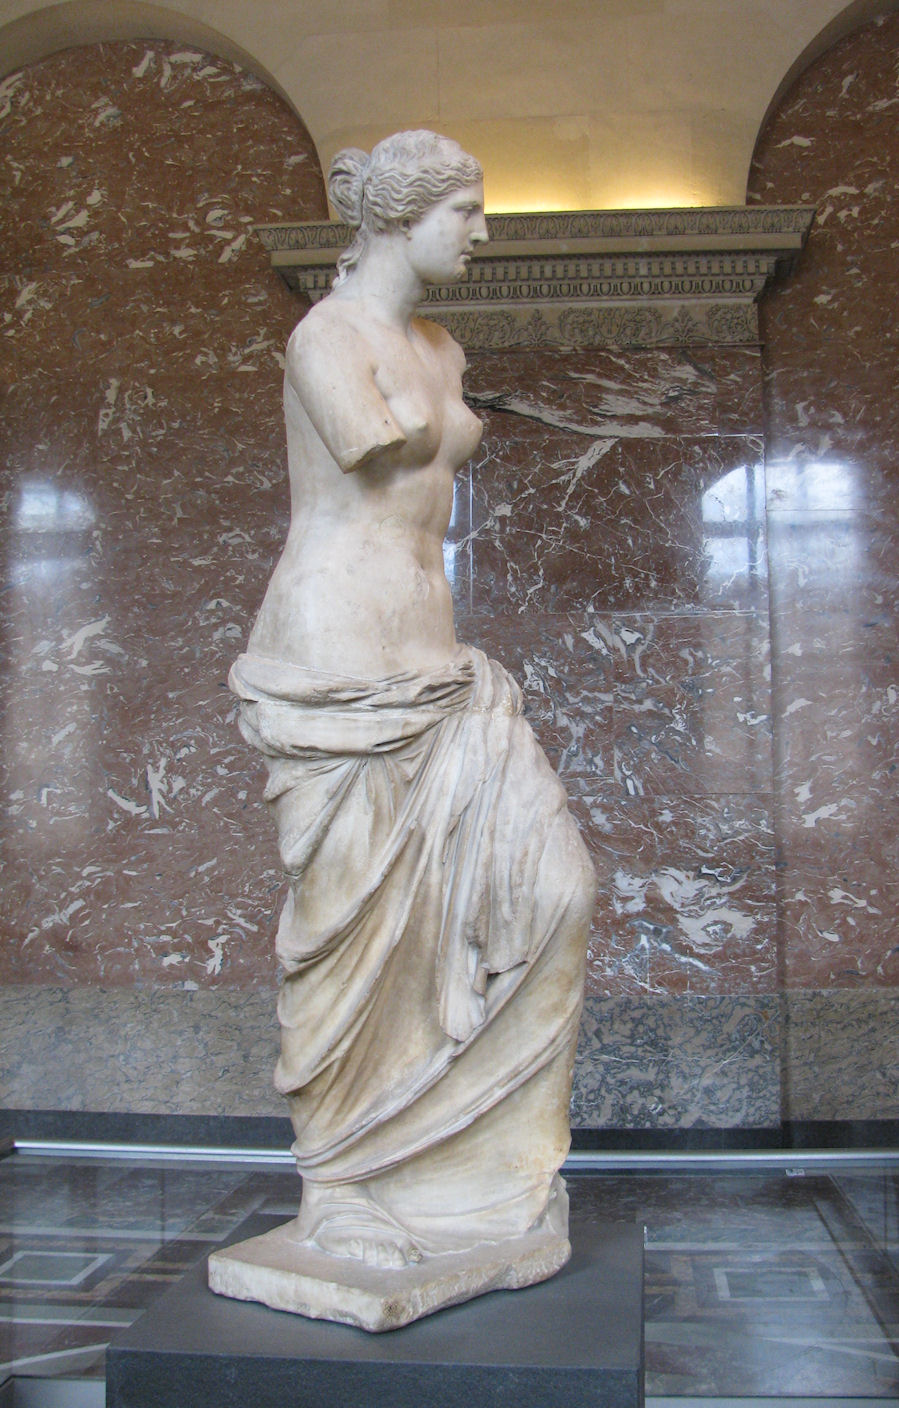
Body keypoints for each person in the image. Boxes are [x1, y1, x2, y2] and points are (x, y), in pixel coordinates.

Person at [229, 131, 596, 1281]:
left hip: (438, 664)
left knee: (556, 892)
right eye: (463, 211)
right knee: (353, 939)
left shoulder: (438, 345)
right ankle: (342, 1185)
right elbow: (367, 450)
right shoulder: (326, 337)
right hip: (336, 660)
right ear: (396, 216)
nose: (481, 233)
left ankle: (468, 1166)